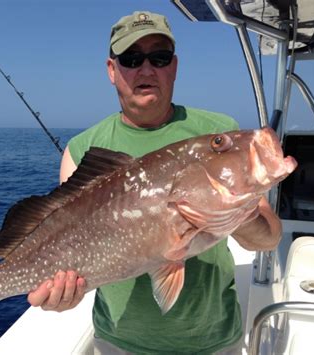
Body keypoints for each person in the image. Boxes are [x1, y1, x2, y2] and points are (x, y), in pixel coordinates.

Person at [28, 11, 282, 354]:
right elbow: (74, 261)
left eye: (159, 58)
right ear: (112, 70)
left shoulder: (216, 128)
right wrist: (62, 297)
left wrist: (234, 209)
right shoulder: (81, 150)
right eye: (131, 58)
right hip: (117, 344)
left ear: (173, 67)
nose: (146, 69)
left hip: (215, 342)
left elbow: (268, 239)